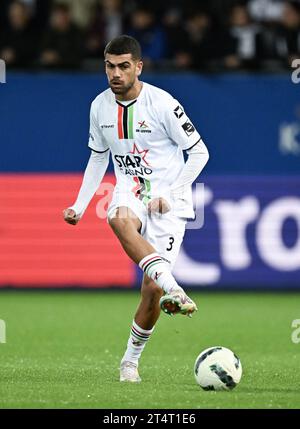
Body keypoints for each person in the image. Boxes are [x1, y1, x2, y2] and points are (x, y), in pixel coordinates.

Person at [63, 35, 209, 383]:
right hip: (129, 189)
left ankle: (130, 360)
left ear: (138, 67)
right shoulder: (99, 107)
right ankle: (176, 288)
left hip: (167, 200)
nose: (116, 73)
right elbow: (99, 156)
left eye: (124, 66)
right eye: (110, 66)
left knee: (151, 292)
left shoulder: (163, 104)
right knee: (117, 217)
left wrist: (172, 193)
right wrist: (80, 205)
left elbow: (200, 152)